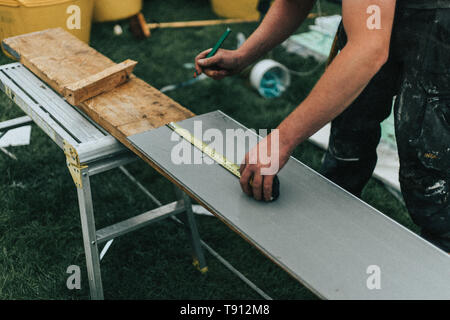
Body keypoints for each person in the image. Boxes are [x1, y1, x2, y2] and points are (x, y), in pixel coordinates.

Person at [194, 0, 450, 252]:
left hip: (438, 20)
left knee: (430, 176)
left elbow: (369, 49)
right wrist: (243, 55)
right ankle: (331, 246)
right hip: (370, 14)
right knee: (347, 143)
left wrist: (281, 141)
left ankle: (440, 267)